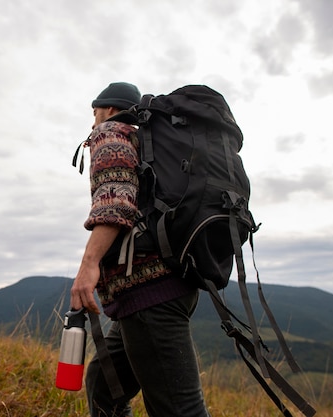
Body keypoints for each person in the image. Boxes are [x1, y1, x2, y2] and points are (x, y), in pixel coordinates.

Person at [70, 82, 211, 417]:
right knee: (105, 386)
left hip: (150, 292)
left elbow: (116, 201)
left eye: (95, 112)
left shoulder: (111, 132)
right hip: (160, 287)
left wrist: (88, 265)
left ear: (112, 109)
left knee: (179, 409)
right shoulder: (148, 145)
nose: (93, 123)